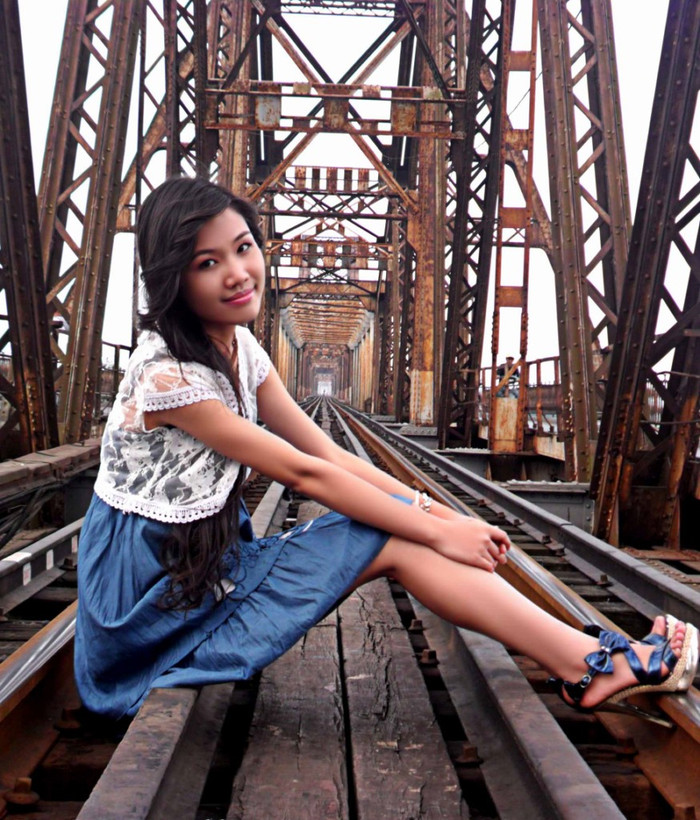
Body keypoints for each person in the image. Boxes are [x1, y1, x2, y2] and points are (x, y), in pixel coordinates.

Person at [74, 176, 698, 723]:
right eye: (207, 263)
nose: (237, 272)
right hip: (151, 612)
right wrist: (436, 528)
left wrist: (439, 515)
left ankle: (588, 661)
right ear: (172, 279)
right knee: (391, 535)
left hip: (205, 572)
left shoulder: (240, 349)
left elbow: (329, 453)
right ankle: (592, 664)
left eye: (243, 247)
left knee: (403, 531)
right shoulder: (168, 378)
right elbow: (303, 473)